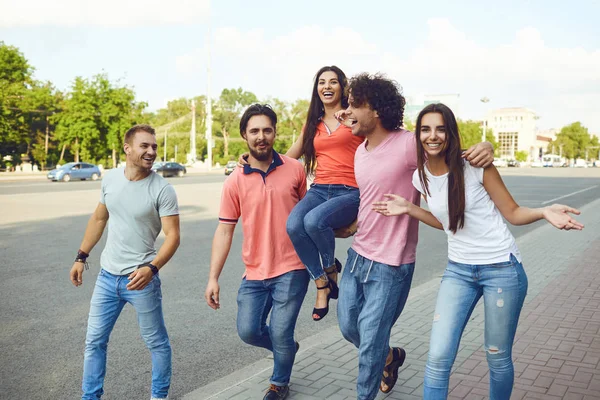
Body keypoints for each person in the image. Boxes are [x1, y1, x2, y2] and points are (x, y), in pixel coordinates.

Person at [372, 103, 584, 400]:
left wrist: (543, 212)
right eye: (425, 129)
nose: (432, 136)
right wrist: (409, 208)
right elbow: (448, 223)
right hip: (458, 271)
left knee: (496, 356)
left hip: (502, 269)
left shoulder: (474, 166)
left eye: (440, 129)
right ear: (418, 135)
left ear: (451, 133)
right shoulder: (419, 177)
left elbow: (513, 212)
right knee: (437, 359)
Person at [334, 74, 494, 400]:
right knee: (350, 328)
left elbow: (446, 153)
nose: (346, 110)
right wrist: (353, 225)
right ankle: (390, 357)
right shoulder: (361, 151)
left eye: (353, 104)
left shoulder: (407, 144)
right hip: (358, 254)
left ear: (375, 110)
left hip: (391, 263)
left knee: (370, 340)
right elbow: (371, 195)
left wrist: (484, 148)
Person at [240, 66, 362, 321]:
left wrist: (352, 120)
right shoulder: (313, 123)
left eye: (332, 82)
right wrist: (252, 158)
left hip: (350, 191)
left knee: (314, 222)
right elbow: (290, 155)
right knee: (294, 224)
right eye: (321, 82)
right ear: (316, 89)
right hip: (320, 188)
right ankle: (321, 282)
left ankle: (329, 270)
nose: (326, 87)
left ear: (342, 86)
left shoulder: (355, 116)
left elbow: (377, 145)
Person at [205, 104, 309, 400]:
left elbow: (309, 217)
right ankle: (286, 348)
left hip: (292, 268)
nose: (261, 136)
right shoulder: (234, 180)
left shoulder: (295, 169)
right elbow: (225, 230)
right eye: (254, 131)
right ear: (244, 135)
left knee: (279, 330)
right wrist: (213, 277)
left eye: (267, 130)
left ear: (275, 132)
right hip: (254, 271)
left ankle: (279, 383)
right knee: (248, 331)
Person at [69, 124, 180, 400]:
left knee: (156, 342)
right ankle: (90, 397)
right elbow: (99, 218)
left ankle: (159, 396)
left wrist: (152, 268)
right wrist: (81, 256)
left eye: (154, 146)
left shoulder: (162, 189)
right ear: (127, 148)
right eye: (144, 146)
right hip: (107, 278)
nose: (151, 151)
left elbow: (173, 237)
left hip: (141, 280)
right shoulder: (110, 179)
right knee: (94, 341)